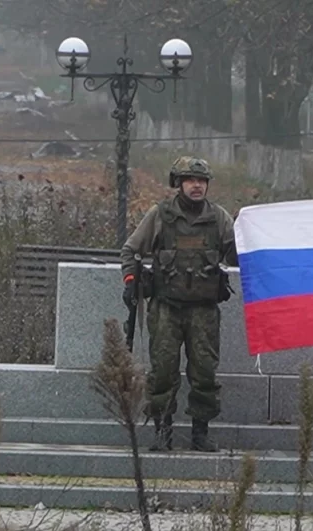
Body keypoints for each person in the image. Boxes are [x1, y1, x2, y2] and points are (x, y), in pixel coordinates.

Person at [120, 156, 238, 452]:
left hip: (204, 310)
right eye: (190, 180)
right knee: (162, 372)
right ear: (179, 183)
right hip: (166, 309)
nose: (197, 186)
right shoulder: (161, 215)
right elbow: (130, 250)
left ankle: (200, 433)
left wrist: (249, 237)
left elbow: (236, 257)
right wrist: (130, 281)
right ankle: (163, 431)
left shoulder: (219, 218)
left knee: (205, 373)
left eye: (202, 181)